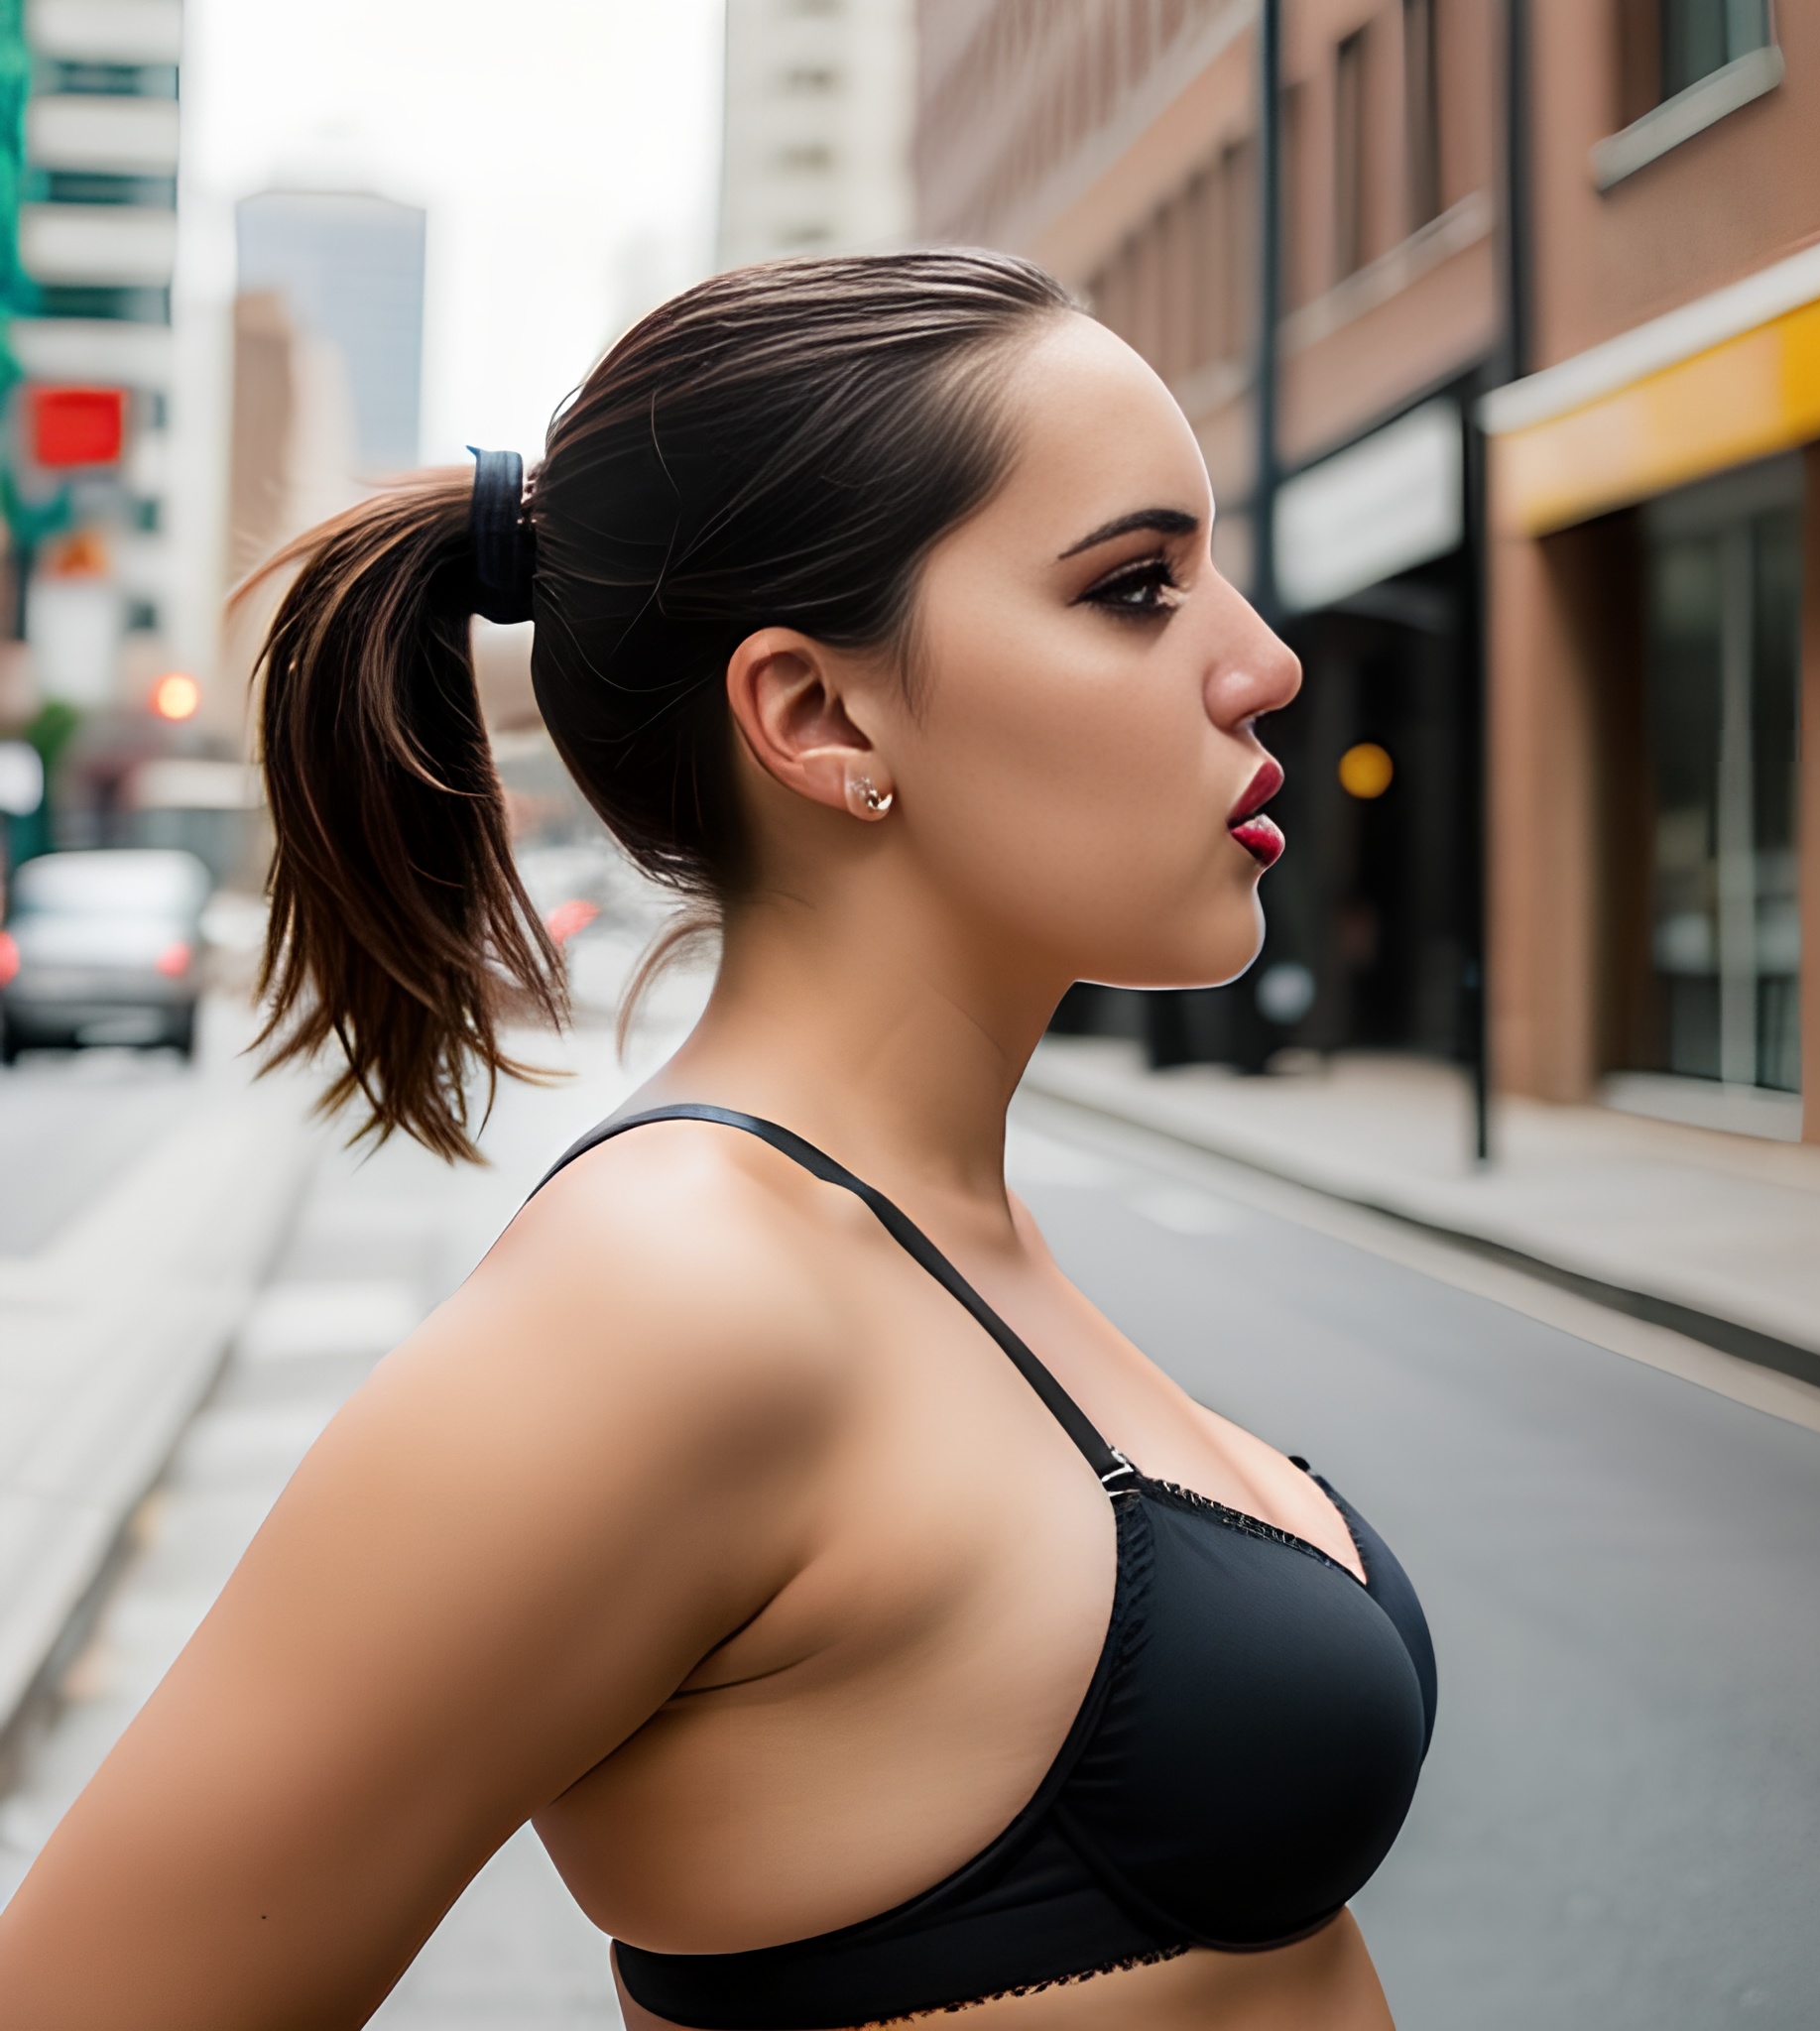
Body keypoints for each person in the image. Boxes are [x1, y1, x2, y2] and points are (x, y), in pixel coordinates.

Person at [0, 251, 1434, 2030]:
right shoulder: (668, 1301)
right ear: (818, 717)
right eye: (1136, 587)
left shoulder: (926, 1228)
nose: (1266, 662)